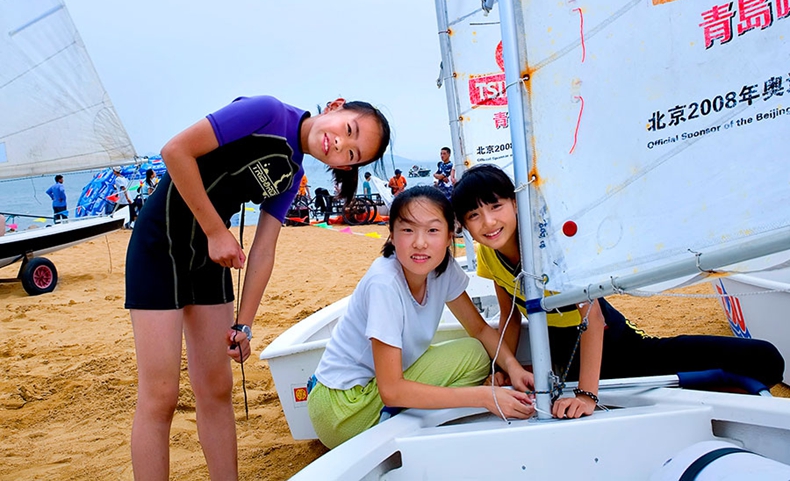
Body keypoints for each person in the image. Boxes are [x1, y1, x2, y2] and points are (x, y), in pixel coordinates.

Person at [124, 95, 390, 480]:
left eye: (352, 154)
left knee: (216, 388)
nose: (340, 146)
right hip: (159, 244)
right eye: (348, 130)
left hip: (210, 257)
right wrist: (217, 231)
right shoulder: (266, 112)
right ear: (335, 106)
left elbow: (264, 250)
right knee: (161, 396)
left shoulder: (293, 173)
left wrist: (243, 325)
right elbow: (176, 151)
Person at [452, 164, 785, 418]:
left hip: (608, 338)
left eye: (496, 207)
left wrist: (587, 395)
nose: (488, 222)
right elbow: (509, 316)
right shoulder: (487, 254)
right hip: (558, 347)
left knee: (764, 359)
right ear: (465, 225)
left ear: (514, 203)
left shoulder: (550, 249)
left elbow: (593, 319)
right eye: (474, 215)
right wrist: (501, 369)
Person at [307, 186, 534, 449]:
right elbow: (391, 390)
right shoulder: (385, 283)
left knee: (475, 353)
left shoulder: (440, 269)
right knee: (468, 366)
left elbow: (480, 330)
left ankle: (412, 415)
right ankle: (399, 424)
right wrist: (483, 396)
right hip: (342, 409)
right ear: (391, 235)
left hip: (372, 392)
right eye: (408, 230)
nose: (420, 242)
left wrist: (513, 368)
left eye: (433, 230)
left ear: (450, 236)